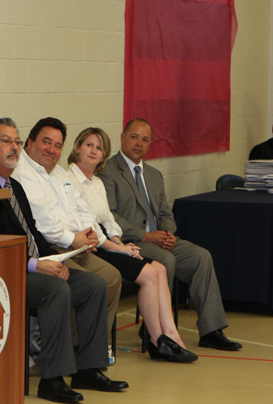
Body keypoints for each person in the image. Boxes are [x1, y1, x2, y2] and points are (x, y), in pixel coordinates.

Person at [0, 118, 126, 403]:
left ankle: (87, 368)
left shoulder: (14, 187)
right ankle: (52, 379)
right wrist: (37, 265)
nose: (15, 148)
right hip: (2, 273)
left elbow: (32, 234)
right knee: (56, 290)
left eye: (16, 141)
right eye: (6, 142)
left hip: (33, 262)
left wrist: (53, 259)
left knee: (93, 285)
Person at [99, 119, 241, 351]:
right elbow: (110, 216)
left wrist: (168, 233)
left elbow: (166, 211)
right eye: (134, 137)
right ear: (122, 137)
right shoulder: (108, 172)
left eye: (145, 140)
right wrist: (146, 236)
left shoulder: (154, 174)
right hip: (130, 242)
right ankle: (156, 329)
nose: (139, 143)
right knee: (166, 260)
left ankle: (211, 330)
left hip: (159, 239)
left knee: (201, 257)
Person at [66, 127, 195, 363]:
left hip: (109, 244)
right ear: (77, 148)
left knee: (160, 269)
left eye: (99, 148)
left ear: (104, 155)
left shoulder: (96, 182)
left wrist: (119, 240)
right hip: (92, 248)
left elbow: (108, 220)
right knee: (148, 273)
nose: (94, 151)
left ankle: (171, 335)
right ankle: (158, 341)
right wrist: (120, 248)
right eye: (89, 145)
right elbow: (89, 228)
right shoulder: (69, 180)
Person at [11, 118, 122, 338]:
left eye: (57, 145)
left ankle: (95, 346)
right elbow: (44, 223)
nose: (51, 150)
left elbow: (83, 208)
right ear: (30, 143)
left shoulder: (60, 173)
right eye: (46, 142)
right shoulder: (22, 174)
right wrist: (75, 239)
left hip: (78, 245)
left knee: (112, 278)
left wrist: (88, 234)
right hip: (53, 249)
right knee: (87, 285)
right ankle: (70, 348)